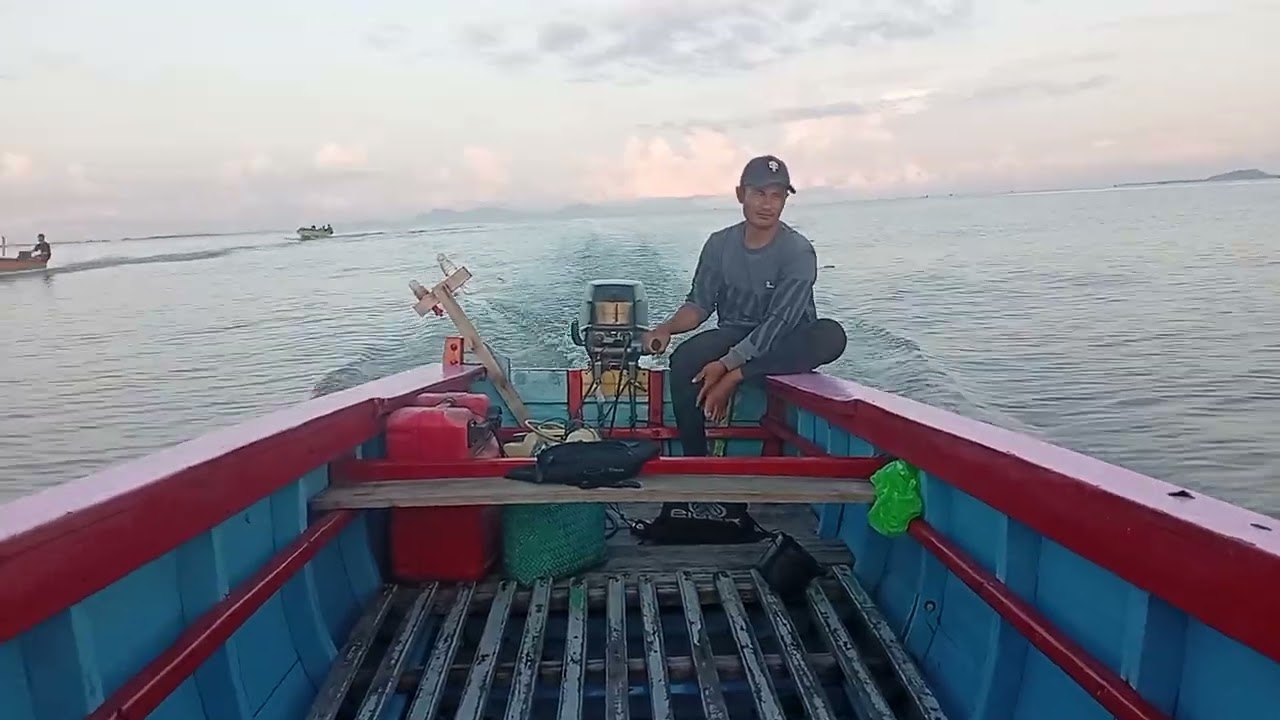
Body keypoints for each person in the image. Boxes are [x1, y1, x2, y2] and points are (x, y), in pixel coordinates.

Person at [643, 155, 847, 457]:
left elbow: (779, 323)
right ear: (741, 194)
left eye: (777, 196)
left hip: (786, 339)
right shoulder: (719, 244)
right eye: (759, 193)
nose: (768, 204)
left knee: (832, 335)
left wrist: (729, 369)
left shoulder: (798, 251)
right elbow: (699, 305)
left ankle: (739, 377)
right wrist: (666, 328)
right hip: (736, 332)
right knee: (684, 359)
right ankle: (695, 462)